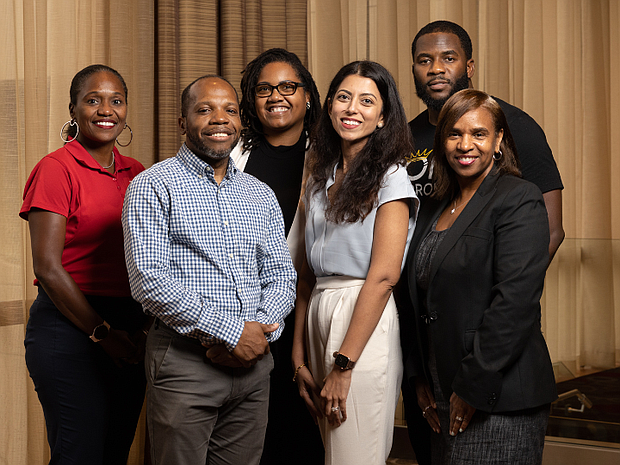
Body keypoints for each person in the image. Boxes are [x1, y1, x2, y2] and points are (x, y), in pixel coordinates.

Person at [400, 21, 564, 464]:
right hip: (437, 381)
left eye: (477, 135)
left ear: (497, 142)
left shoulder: (517, 193)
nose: (464, 144)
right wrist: (418, 373)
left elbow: (516, 295)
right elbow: (413, 283)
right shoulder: (436, 201)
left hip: (494, 387)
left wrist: (473, 379)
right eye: (454, 135)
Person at [122, 75, 297, 465]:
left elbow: (282, 276)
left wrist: (259, 334)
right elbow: (148, 280)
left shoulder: (258, 193)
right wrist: (233, 333)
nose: (220, 119)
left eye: (230, 110)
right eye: (205, 109)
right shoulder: (152, 186)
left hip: (254, 368)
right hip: (186, 364)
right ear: (182, 122)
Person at [20, 64, 150, 465]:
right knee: (79, 454)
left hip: (130, 329)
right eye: (92, 100)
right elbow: (47, 267)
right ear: (73, 109)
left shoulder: (138, 173)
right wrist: (102, 332)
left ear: (126, 109)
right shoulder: (56, 169)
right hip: (70, 327)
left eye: (116, 100)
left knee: (114, 452)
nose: (105, 110)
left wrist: (137, 329)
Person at [291, 61, 419, 465]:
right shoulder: (318, 178)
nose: (352, 108)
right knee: (332, 452)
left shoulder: (391, 178)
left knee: (355, 454)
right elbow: (304, 278)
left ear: (382, 118)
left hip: (363, 315)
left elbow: (383, 277)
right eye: (344, 97)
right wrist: (297, 359)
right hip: (318, 311)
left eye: (367, 101)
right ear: (329, 106)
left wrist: (343, 365)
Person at [232, 48, 324, 465]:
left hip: (307, 312)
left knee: (302, 432)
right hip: (241, 317)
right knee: (249, 436)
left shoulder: (330, 157)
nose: (276, 96)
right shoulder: (230, 157)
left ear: (307, 96)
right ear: (251, 99)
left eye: (288, 86)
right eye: (264, 88)